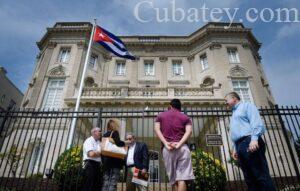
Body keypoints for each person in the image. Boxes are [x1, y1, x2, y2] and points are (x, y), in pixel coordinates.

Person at [225, 92, 276, 191]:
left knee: (260, 174)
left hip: (249, 141)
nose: (225, 103)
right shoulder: (234, 113)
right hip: (240, 145)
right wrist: (235, 148)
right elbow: (237, 133)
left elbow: (256, 122)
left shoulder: (247, 106)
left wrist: (254, 139)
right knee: (249, 178)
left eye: (226, 100)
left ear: (234, 98)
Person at [154, 99, 195, 191]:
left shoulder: (160, 116)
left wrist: (165, 143)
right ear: (180, 107)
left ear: (170, 106)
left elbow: (157, 130)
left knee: (173, 179)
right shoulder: (185, 117)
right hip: (182, 148)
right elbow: (189, 131)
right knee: (182, 177)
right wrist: (179, 144)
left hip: (168, 148)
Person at [101, 119, 127, 191]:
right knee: (113, 182)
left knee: (106, 182)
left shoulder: (104, 135)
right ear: (114, 125)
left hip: (106, 163)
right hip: (114, 163)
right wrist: (125, 143)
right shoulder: (115, 132)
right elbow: (118, 143)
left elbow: (102, 150)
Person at [82, 127, 102, 191]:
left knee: (96, 186)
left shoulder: (99, 142)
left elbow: (96, 153)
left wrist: (97, 153)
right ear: (94, 132)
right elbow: (91, 154)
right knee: (89, 185)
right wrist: (99, 153)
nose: (101, 133)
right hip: (90, 164)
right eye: (99, 131)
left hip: (97, 165)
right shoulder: (89, 141)